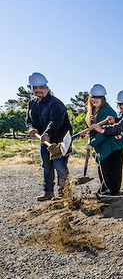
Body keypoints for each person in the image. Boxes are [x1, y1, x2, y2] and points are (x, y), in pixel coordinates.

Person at [26, 72, 73, 201]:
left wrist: (46, 133)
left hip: (60, 139)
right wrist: (31, 129)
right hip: (44, 140)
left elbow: (55, 122)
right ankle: (48, 192)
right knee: (46, 165)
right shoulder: (32, 103)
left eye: (40, 87)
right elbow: (28, 121)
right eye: (35, 88)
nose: (38, 90)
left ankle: (64, 193)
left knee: (59, 165)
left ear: (47, 87)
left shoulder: (56, 103)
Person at [85, 84, 123, 196]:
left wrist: (92, 144)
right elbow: (93, 130)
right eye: (93, 97)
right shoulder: (93, 110)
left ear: (103, 98)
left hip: (112, 145)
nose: (95, 99)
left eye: (98, 97)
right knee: (102, 169)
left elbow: (104, 132)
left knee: (111, 171)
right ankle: (104, 190)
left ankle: (112, 194)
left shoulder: (107, 112)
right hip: (102, 145)